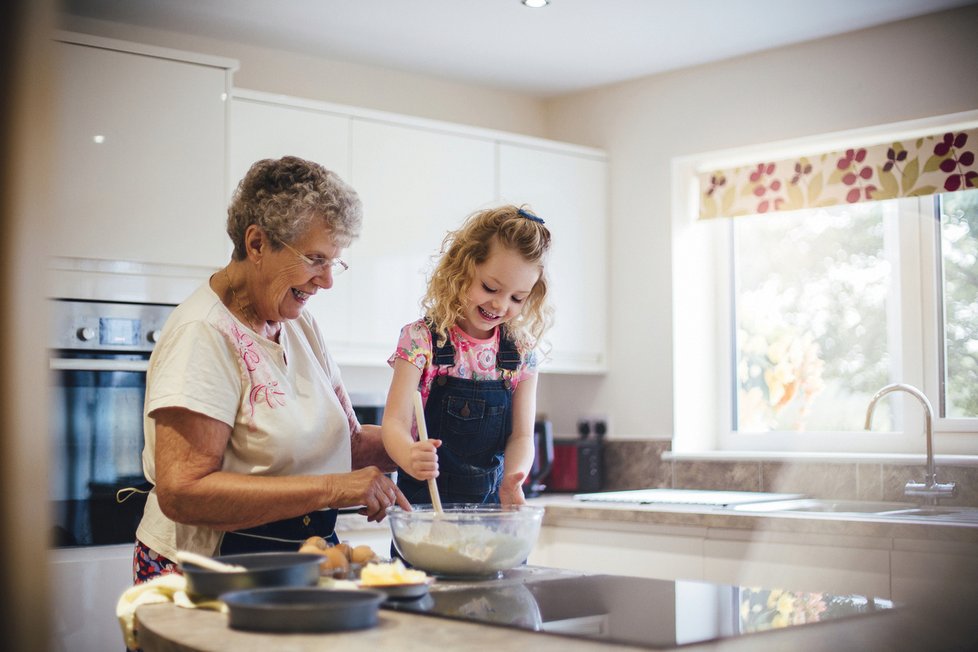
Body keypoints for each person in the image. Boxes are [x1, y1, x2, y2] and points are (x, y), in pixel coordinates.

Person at [132, 156, 409, 583]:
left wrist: (428, 445)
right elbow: (183, 492)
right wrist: (337, 488)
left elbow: (347, 442)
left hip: (294, 562)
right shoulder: (203, 333)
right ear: (257, 244)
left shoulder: (297, 322)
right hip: (208, 572)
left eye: (335, 261)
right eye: (316, 259)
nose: (328, 280)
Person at [381, 205, 553, 509]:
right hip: (426, 508)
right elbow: (394, 422)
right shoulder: (421, 341)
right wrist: (409, 455)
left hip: (491, 509)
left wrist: (514, 477)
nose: (500, 304)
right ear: (464, 267)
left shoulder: (521, 352)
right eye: (490, 287)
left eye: (517, 298)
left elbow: (522, 437)